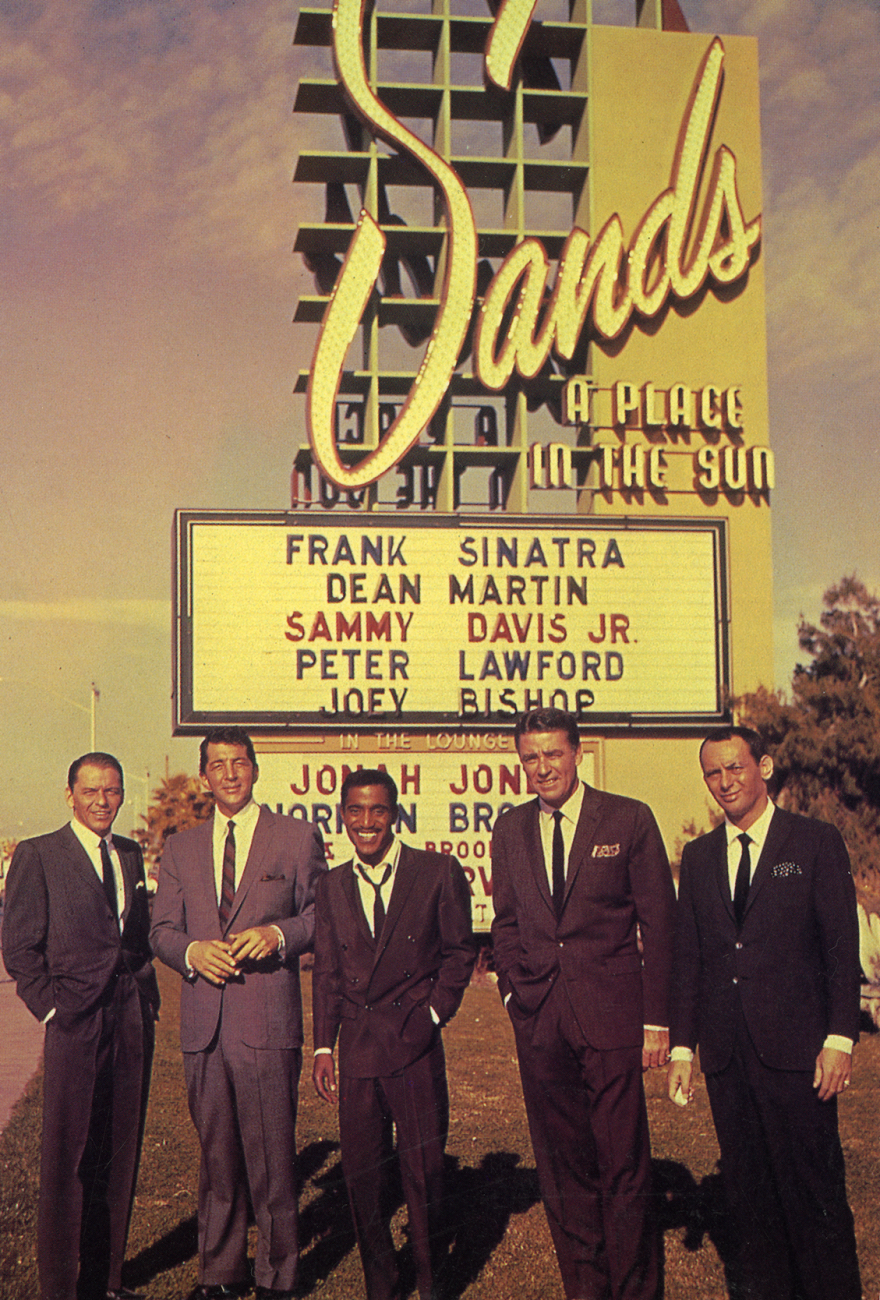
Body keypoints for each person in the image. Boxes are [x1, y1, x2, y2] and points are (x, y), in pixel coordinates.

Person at [667, 725, 862, 1300]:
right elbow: (689, 957)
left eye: (735, 767)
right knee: (751, 1204)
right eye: (713, 773)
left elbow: (840, 947)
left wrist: (840, 1039)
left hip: (800, 1056)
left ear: (765, 767)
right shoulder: (699, 857)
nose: (724, 781)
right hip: (728, 1058)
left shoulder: (813, 842)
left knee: (815, 1198)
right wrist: (682, 1048)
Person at [491, 707, 675, 1300]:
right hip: (540, 1021)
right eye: (530, 758)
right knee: (562, 1168)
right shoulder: (509, 829)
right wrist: (514, 993)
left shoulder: (628, 817)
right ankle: (587, 1289)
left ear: (576, 753)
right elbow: (505, 923)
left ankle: (635, 1289)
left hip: (613, 1018)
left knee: (623, 1164)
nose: (542, 767)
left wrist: (656, 1020)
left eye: (552, 754)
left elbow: (660, 925)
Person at [150, 727, 326, 1300]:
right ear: (205, 776)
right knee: (217, 1157)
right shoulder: (181, 848)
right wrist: (191, 954)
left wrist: (278, 935)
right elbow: (161, 930)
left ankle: (278, 1275)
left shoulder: (295, 837)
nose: (229, 773)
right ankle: (221, 1272)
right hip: (204, 1026)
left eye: (240, 762)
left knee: (272, 1157)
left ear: (255, 768)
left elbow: (321, 915)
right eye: (218, 764)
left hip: (266, 1022)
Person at [2, 752, 160, 1300]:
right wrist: (52, 1009)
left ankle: (106, 1280)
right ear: (69, 794)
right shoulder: (39, 854)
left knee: (119, 1150)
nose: (101, 801)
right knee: (68, 1156)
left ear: (122, 795)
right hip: (73, 1022)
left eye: (111, 791)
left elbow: (134, 936)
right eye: (90, 791)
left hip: (128, 1019)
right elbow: (20, 948)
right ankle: (62, 1287)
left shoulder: (130, 854)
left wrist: (144, 997)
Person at [312, 769, 475, 1300]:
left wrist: (433, 1015)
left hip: (414, 1046)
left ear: (395, 813)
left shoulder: (436, 871)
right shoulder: (330, 885)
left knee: (424, 1169)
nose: (366, 822)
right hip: (358, 1050)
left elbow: (459, 953)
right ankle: (380, 1283)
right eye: (355, 811)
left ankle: (430, 1281)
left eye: (378, 810)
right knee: (362, 1175)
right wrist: (323, 1045)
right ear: (342, 816)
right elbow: (327, 972)